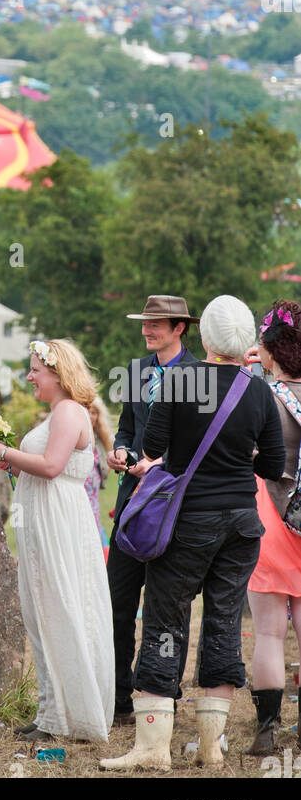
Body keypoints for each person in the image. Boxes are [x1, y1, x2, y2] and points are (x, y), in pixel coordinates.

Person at [101, 295, 285, 772]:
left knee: (165, 622)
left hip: (187, 525)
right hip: (242, 525)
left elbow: (153, 446)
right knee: (223, 624)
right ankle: (210, 745)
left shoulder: (181, 381)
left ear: (203, 338)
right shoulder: (259, 390)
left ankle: (152, 747)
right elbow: (272, 465)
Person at [0, 338, 114, 743]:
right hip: (44, 518)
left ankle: (63, 718)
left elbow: (53, 466)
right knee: (42, 613)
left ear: (58, 374)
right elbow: (39, 470)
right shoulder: (58, 412)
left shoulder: (70, 411)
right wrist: (7, 460)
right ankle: (51, 711)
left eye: (36, 370)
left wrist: (6, 450)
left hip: (59, 521)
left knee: (58, 610)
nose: (30, 376)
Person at [105, 294, 200, 725]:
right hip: (131, 506)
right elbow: (127, 427)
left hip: (176, 508)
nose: (147, 330)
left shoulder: (200, 375)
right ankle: (119, 697)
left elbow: (200, 447)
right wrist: (121, 451)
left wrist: (157, 465)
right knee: (118, 603)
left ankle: (160, 696)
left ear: (179, 327)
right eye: (144, 322)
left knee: (166, 609)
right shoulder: (136, 371)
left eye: (156, 323)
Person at [244, 299, 301, 754]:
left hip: (272, 522)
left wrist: (253, 370)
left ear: (270, 350)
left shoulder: (262, 395)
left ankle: (266, 731)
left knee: (267, 632)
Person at [84, 396, 113, 550]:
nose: (90, 415)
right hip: (80, 491)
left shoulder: (100, 438)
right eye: (88, 411)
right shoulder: (78, 436)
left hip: (93, 493)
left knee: (94, 526)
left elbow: (107, 461)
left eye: (94, 412)